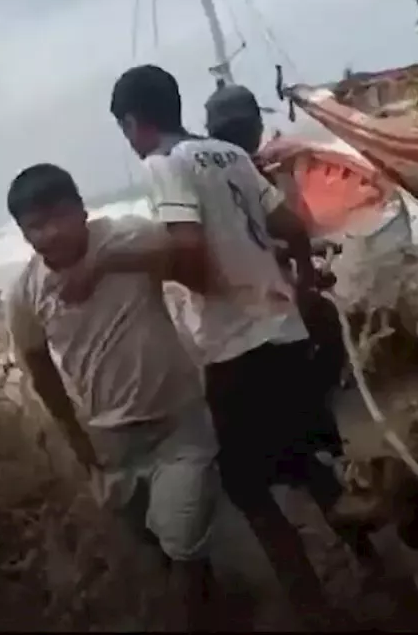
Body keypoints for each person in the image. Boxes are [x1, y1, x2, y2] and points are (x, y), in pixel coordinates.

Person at [109, 65, 374, 626]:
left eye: (124, 130)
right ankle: (379, 569)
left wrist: (125, 263)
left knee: (248, 489)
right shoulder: (228, 156)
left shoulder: (163, 166)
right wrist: (302, 283)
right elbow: (294, 227)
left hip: (237, 351)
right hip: (286, 330)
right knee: (311, 463)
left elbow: (188, 253)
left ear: (134, 122)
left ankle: (313, 610)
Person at [4, 163, 218, 631]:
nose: (52, 233)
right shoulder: (24, 293)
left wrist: (99, 266)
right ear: (23, 234)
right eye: (35, 226)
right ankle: (214, 595)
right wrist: (81, 448)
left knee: (182, 544)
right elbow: (41, 371)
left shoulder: (123, 238)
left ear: (82, 210)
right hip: (111, 443)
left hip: (178, 425)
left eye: (60, 216)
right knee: (154, 543)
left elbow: (178, 244)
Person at [203, 84, 349, 409]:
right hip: (258, 310)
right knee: (322, 319)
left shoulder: (219, 174)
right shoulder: (246, 173)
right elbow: (260, 243)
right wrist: (306, 277)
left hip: (242, 308)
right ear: (257, 126)